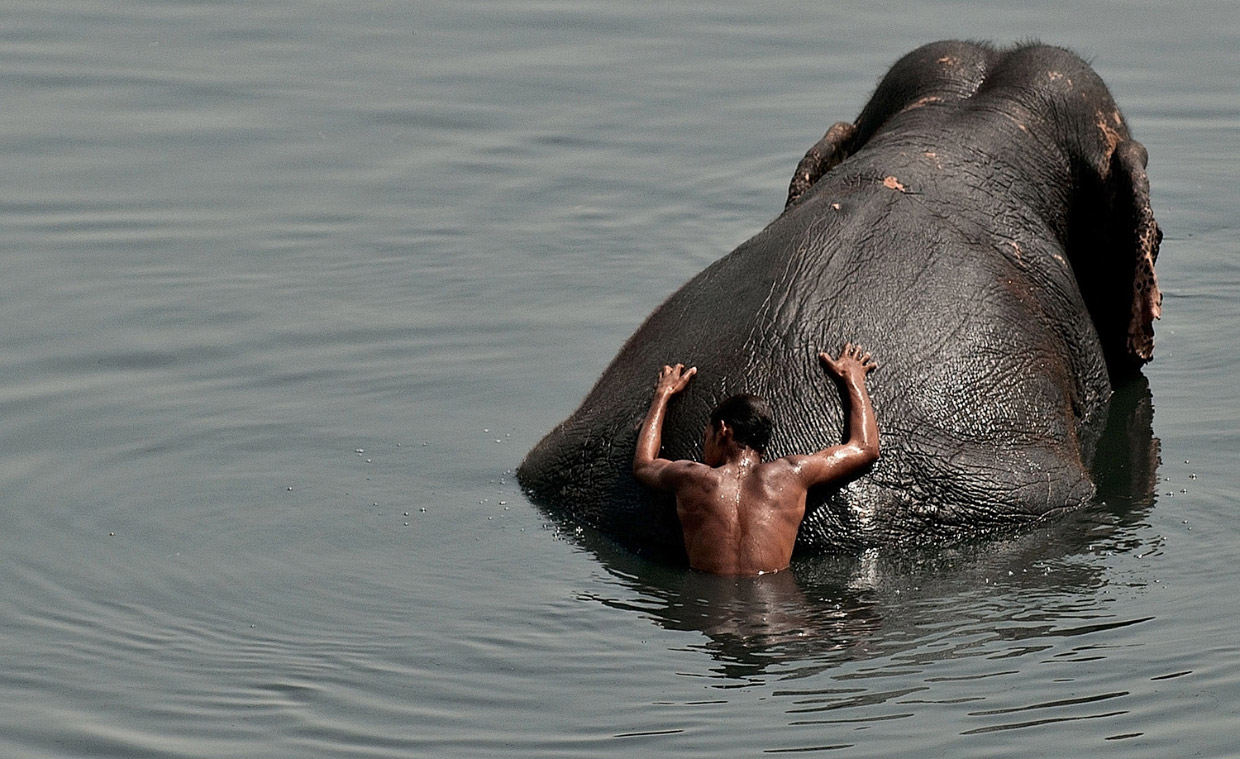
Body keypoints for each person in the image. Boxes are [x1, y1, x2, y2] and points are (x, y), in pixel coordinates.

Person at [632, 344, 879, 575]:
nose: (704, 445)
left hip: (709, 614)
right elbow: (865, 448)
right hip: (775, 613)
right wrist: (854, 380)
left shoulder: (691, 477)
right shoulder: (792, 473)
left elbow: (644, 463)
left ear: (723, 430)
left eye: (706, 435)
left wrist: (662, 396)